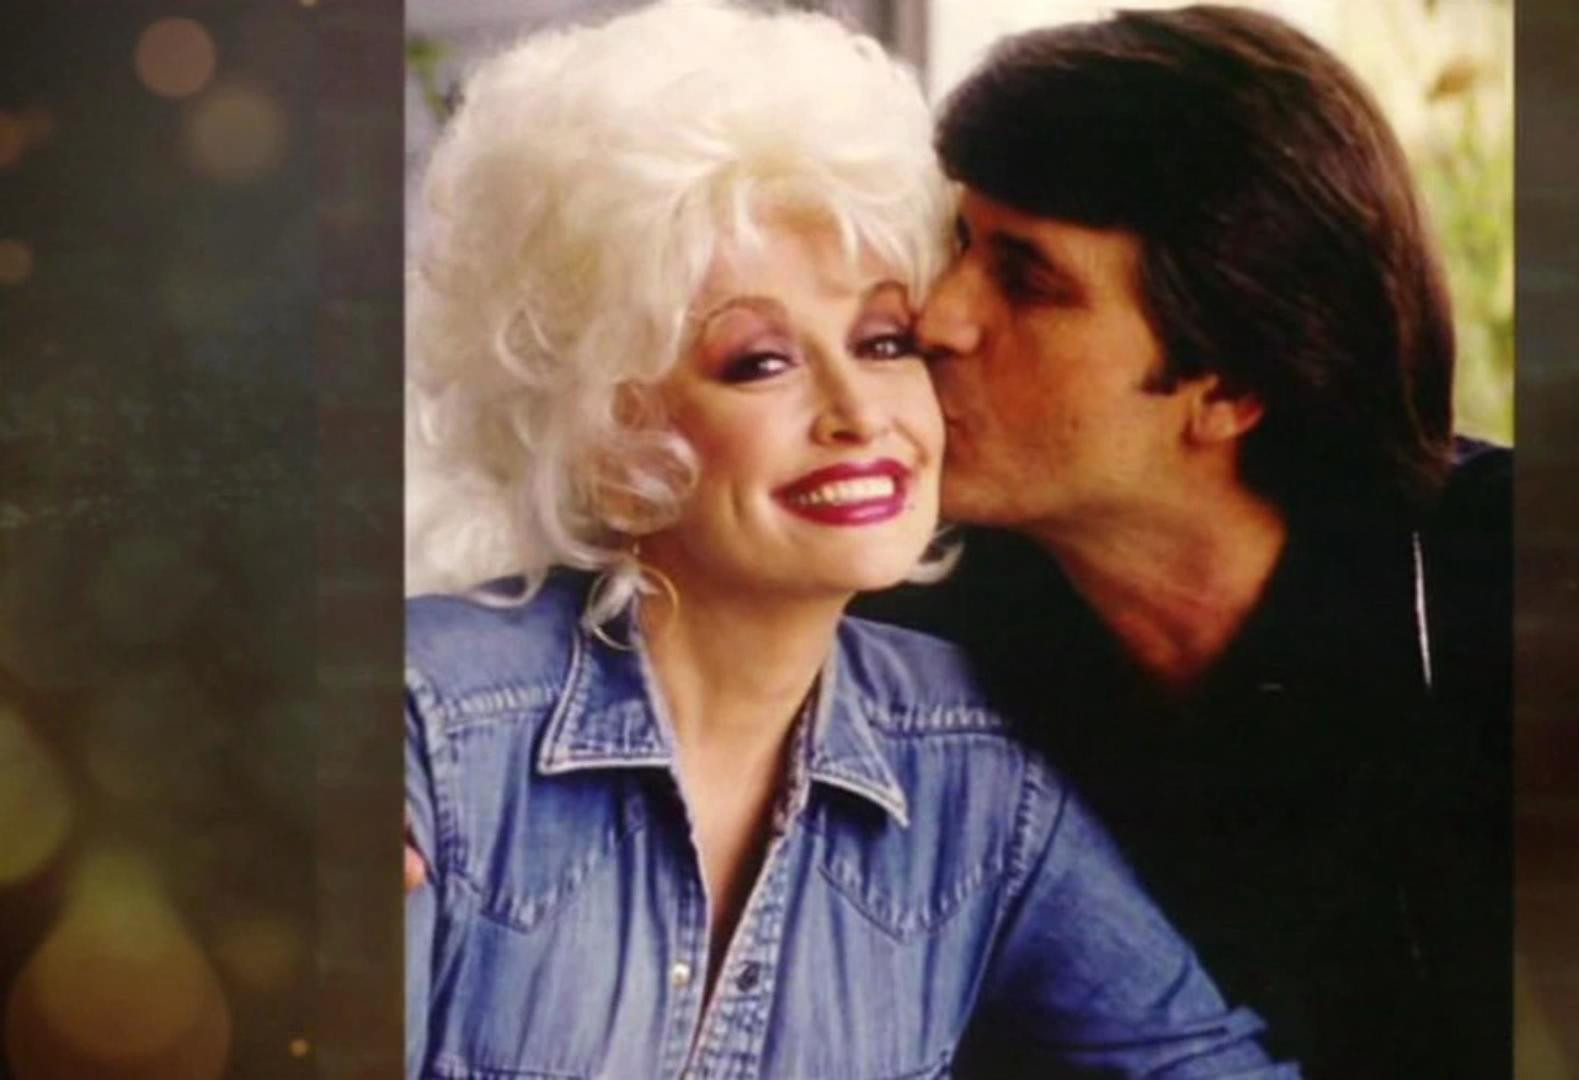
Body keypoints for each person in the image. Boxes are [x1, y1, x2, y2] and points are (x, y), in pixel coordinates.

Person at [401, 4, 1294, 1079]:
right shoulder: (429, 728)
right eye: (761, 362)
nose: (860, 413)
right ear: (611, 438)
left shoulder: (973, 767)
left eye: (882, 342)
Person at [854, 6, 1513, 1077]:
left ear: (1230, 385)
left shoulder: (1517, 591)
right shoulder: (908, 630)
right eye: (960, 245)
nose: (939, 318)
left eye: (1027, 279)